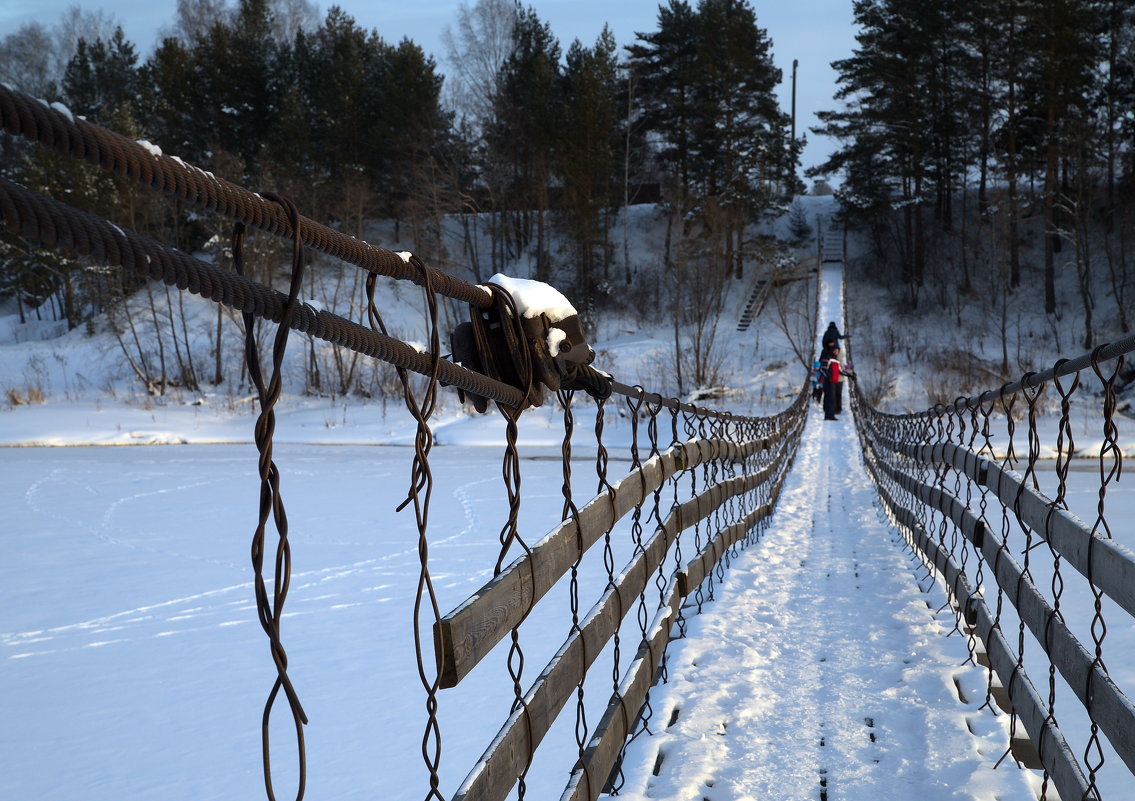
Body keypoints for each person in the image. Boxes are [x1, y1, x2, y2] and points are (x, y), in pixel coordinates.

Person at [822, 346, 850, 420]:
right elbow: (823, 369)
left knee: (833, 398)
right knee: (829, 398)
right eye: (835, 350)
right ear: (832, 350)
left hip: (834, 382)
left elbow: (840, 371)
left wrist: (849, 375)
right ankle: (828, 416)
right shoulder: (828, 358)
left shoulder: (837, 360)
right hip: (828, 381)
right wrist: (828, 376)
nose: (836, 352)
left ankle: (831, 415)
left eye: (837, 351)